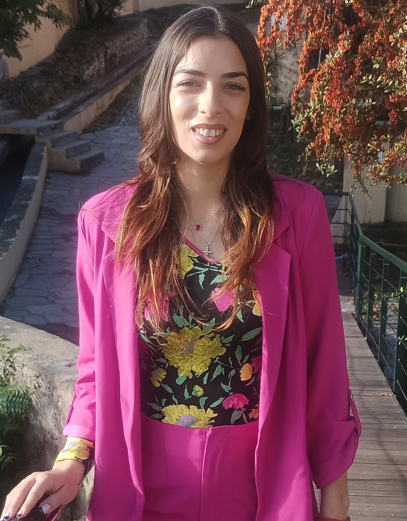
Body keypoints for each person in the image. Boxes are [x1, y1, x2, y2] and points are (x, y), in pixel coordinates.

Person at [1, 5, 361, 521]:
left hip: (263, 486)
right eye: (190, 83)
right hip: (142, 488)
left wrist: (337, 503)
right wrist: (70, 462)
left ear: (252, 105)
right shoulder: (106, 223)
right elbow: (95, 371)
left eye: (233, 86)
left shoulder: (296, 215)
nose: (211, 105)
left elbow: (324, 369)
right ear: (162, 96)